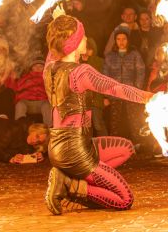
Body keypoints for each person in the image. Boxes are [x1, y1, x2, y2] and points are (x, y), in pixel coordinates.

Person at [41, 14, 152, 215]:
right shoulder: (81, 73)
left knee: (126, 148)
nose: (85, 39)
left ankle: (67, 178)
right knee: (124, 199)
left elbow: (53, 48)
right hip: (75, 153)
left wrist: (60, 18)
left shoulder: (49, 68)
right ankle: (70, 186)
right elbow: (116, 88)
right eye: (82, 36)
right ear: (73, 42)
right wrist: (150, 98)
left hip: (61, 146)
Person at [103, 27, 147, 148]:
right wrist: (108, 94)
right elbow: (105, 75)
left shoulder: (134, 54)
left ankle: (139, 144)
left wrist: (135, 89)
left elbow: (141, 71)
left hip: (130, 92)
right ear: (115, 40)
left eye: (124, 39)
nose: (121, 41)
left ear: (128, 40)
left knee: (134, 119)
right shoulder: (110, 56)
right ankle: (115, 145)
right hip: (115, 93)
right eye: (118, 39)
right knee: (115, 121)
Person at [3, 56, 50, 127]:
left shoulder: (47, 78)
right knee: (20, 104)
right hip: (27, 102)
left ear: (44, 68)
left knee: (47, 105)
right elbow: (15, 86)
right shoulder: (25, 77)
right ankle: (19, 127)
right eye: (35, 66)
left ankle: (50, 128)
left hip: (42, 102)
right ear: (32, 68)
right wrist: (9, 78)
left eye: (40, 66)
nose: (37, 68)